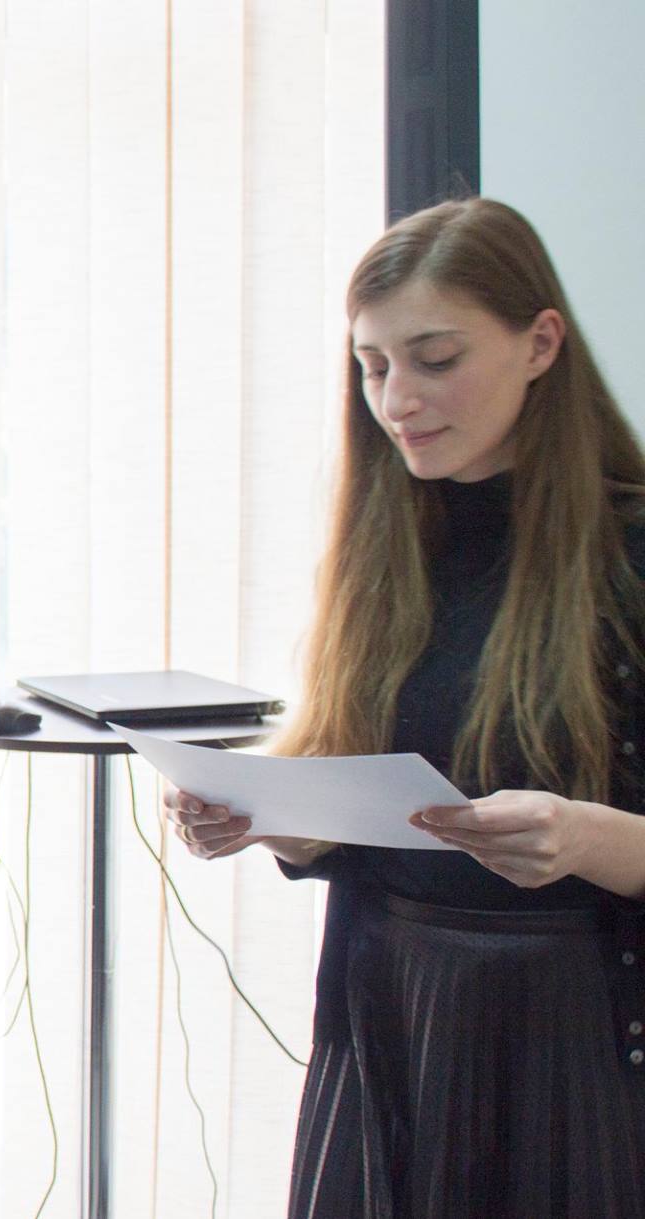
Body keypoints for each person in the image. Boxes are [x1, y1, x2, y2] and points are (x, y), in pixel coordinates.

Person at [162, 199, 645, 1217]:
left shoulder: (629, 559)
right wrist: (268, 819)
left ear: (539, 344)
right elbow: (364, 807)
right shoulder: (382, 553)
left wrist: (582, 837)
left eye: (434, 359)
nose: (396, 400)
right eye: (371, 366)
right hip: (384, 1010)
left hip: (571, 1033)